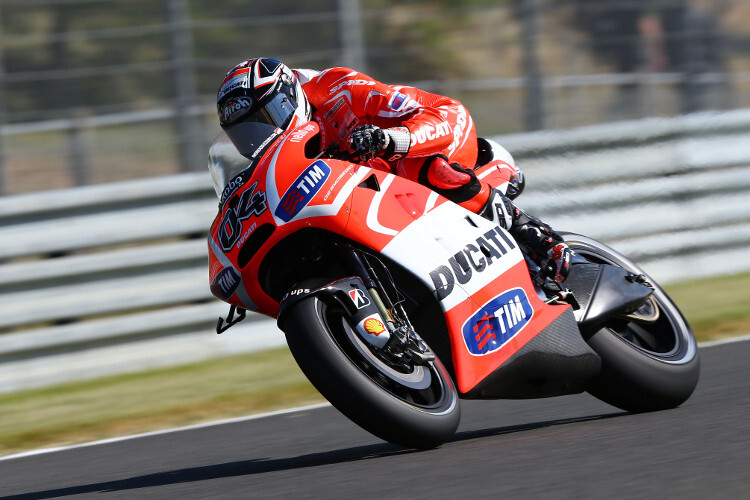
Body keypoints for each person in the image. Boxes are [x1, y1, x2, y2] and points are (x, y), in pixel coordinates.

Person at [215, 57, 571, 283]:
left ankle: (530, 232)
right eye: (246, 134)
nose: (260, 138)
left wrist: (388, 139)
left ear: (287, 97)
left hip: (436, 130)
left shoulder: (338, 88)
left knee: (420, 167)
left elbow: (415, 111)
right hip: (383, 184)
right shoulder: (280, 157)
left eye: (264, 122)